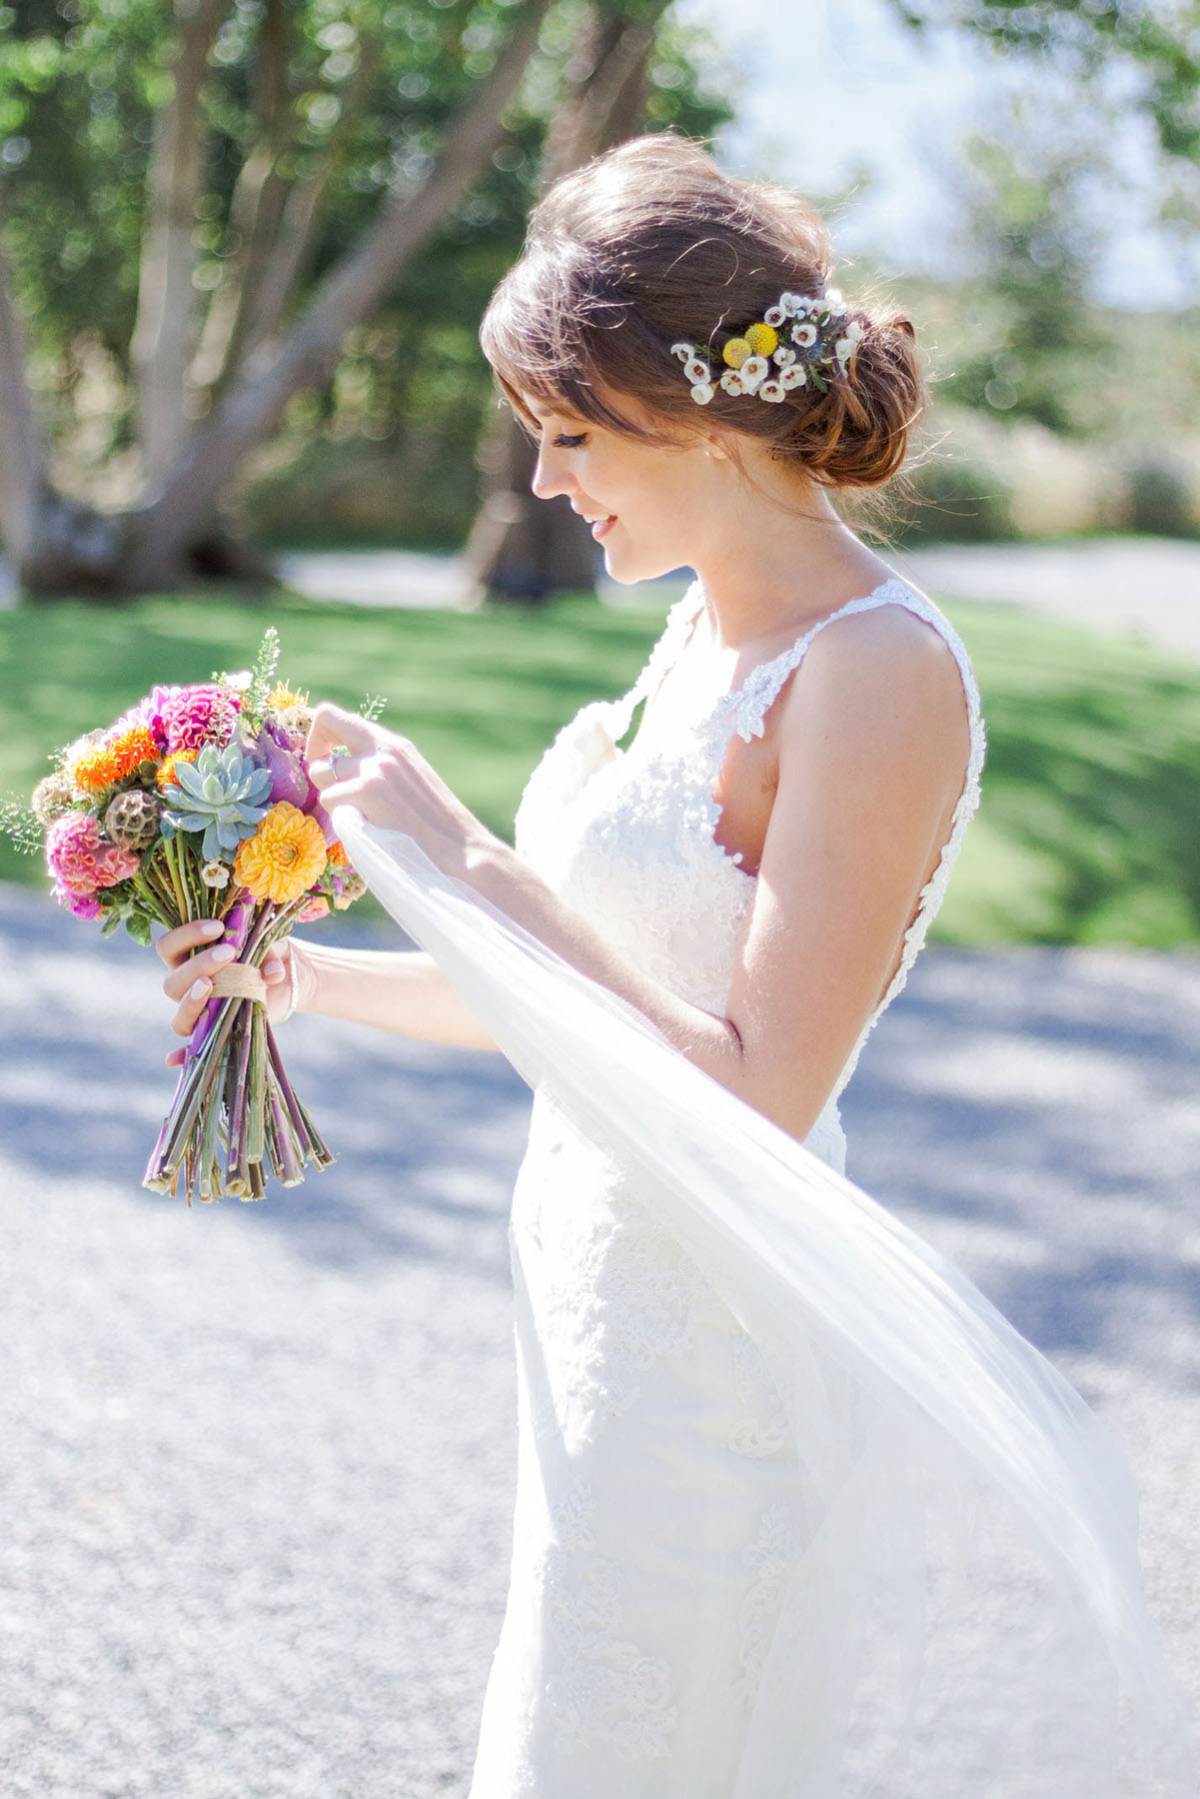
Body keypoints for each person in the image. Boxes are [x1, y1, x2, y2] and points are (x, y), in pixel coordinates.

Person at [156, 135, 1191, 1797]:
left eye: (570, 435)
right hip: (592, 1308)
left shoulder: (876, 674)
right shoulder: (698, 625)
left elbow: (757, 1092)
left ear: (700, 419)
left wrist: (475, 865)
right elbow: (591, 1017)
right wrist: (297, 985)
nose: (550, 482)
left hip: (718, 1351)